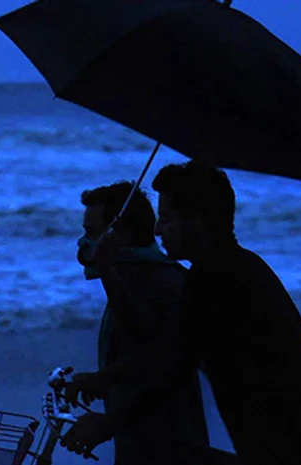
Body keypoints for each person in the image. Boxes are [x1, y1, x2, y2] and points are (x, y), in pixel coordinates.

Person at [62, 162, 301, 465]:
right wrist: (105, 381)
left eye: (167, 218)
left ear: (196, 221)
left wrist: (109, 421)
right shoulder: (233, 267)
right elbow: (173, 349)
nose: (158, 229)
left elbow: (174, 362)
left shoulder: (217, 278)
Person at [66, 181, 209, 464]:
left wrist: (106, 269)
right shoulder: (129, 277)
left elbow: (164, 356)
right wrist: (103, 379)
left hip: (168, 447)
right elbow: (138, 351)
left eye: (91, 233)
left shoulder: (166, 281)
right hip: (135, 442)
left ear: (119, 234)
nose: (83, 243)